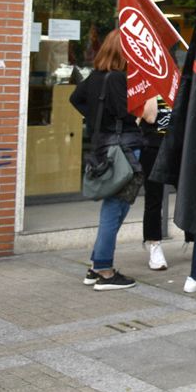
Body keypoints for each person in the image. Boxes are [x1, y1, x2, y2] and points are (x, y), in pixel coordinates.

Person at [74, 31, 158, 290]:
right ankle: (104, 271)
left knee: (114, 207)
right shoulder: (121, 80)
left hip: (103, 147)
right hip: (125, 150)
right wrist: (152, 91)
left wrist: (99, 120)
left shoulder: (96, 77)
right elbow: (149, 117)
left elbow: (75, 98)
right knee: (114, 209)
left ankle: (95, 266)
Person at [140, 103, 168, 270]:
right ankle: (154, 245)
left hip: (178, 144)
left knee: (191, 194)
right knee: (154, 198)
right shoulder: (148, 81)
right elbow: (150, 117)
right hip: (153, 144)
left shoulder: (179, 81)